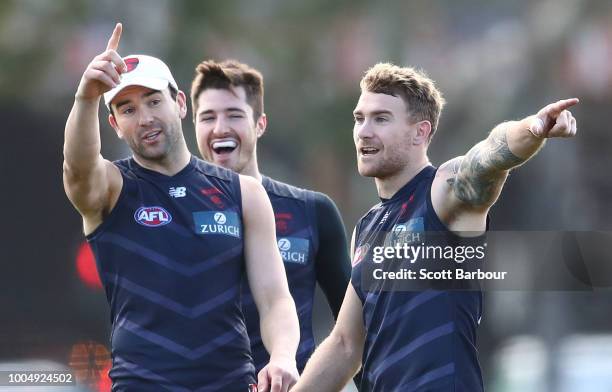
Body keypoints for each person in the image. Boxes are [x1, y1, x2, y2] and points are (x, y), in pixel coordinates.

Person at [292, 63, 578, 391]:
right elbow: (345, 345)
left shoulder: (443, 193)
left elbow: (489, 156)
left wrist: (534, 127)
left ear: (421, 132)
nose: (364, 131)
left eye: (381, 119)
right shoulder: (368, 228)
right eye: (360, 118)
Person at [62, 23, 299, 391]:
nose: (144, 119)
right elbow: (77, 168)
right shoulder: (110, 188)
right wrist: (86, 98)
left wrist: (282, 357)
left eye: (154, 101)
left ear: (180, 103)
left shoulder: (244, 193)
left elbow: (275, 299)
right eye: (127, 109)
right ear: (115, 125)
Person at [189, 59, 352, 375]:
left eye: (234, 115)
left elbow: (353, 333)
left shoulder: (313, 212)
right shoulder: (174, 210)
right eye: (207, 117)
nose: (220, 128)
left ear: (260, 124)